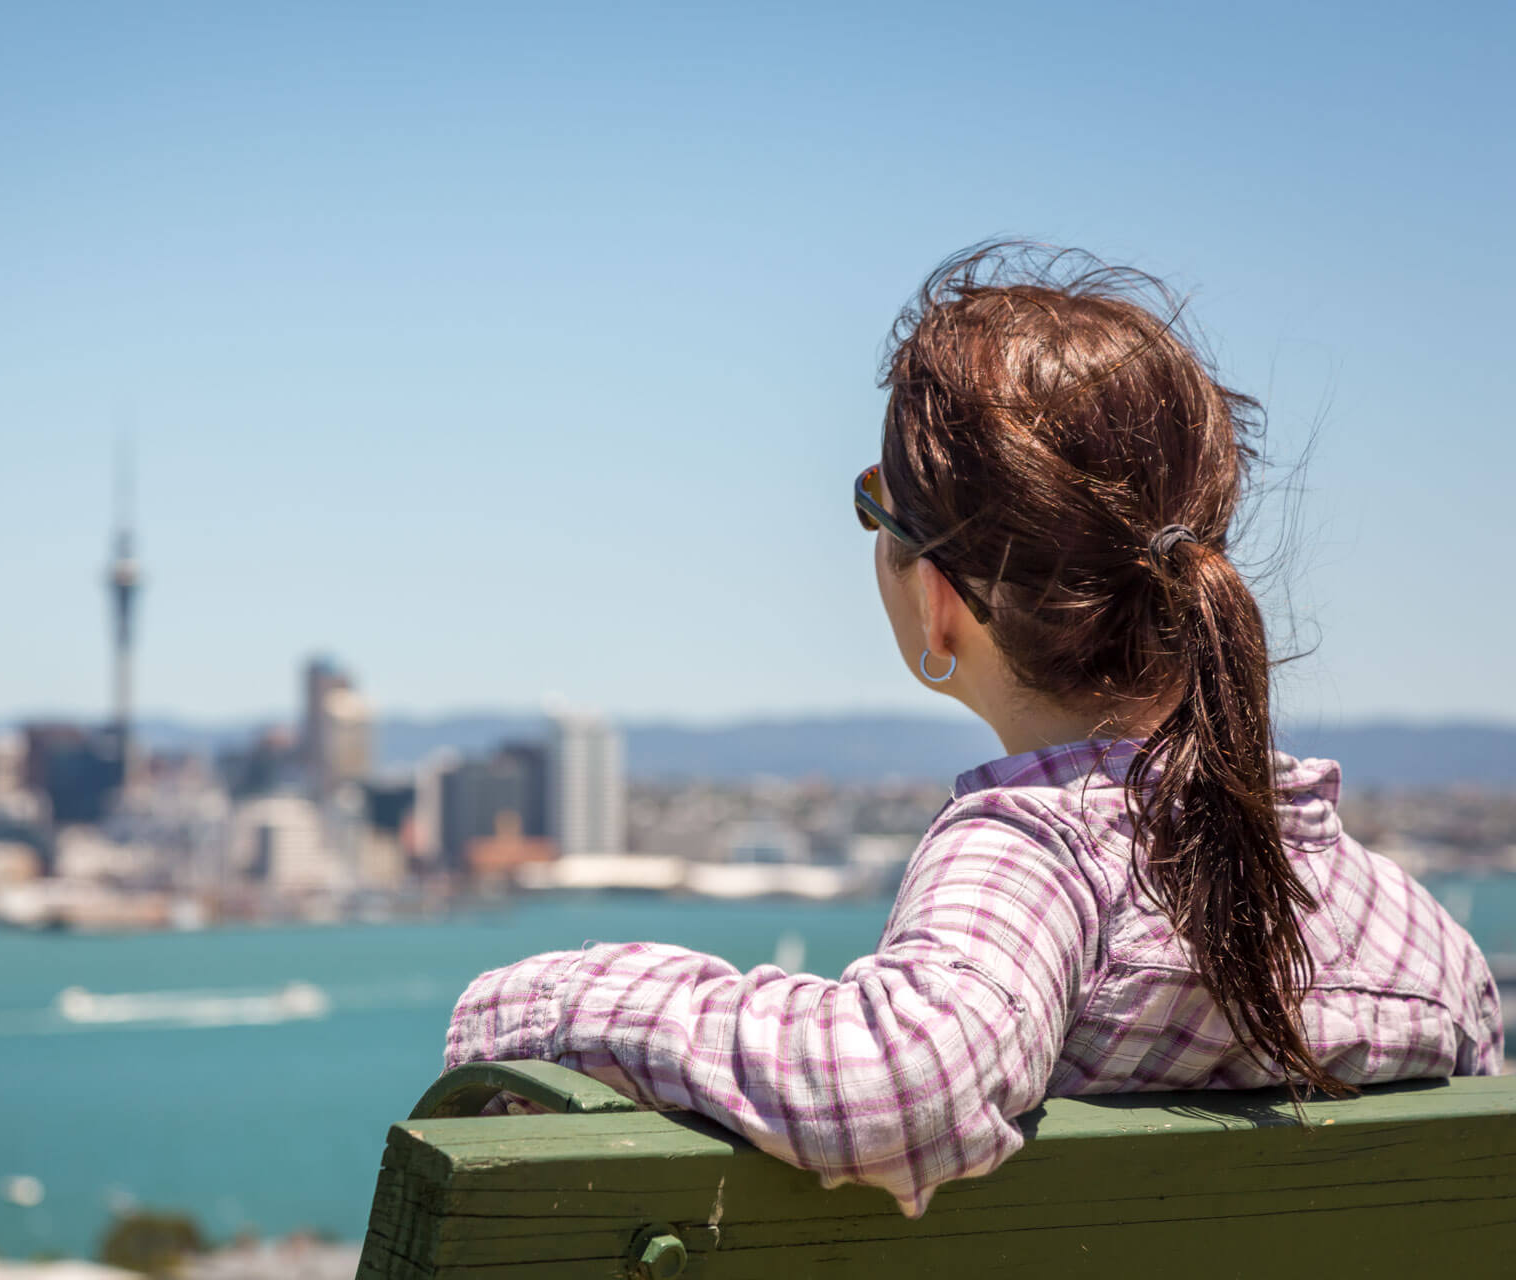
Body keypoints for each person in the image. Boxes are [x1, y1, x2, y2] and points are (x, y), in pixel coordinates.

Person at [440, 244, 1504, 1217]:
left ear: (941, 599)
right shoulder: (1411, 926)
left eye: (876, 504)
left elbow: (899, 1083)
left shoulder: (1039, 851)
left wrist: (539, 1004)